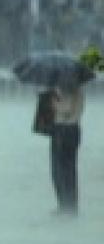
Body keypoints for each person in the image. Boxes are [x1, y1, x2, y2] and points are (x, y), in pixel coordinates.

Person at [49, 82, 85, 215]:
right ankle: (70, 205)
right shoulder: (79, 90)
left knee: (58, 169)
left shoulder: (68, 90)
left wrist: (53, 103)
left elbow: (66, 111)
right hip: (74, 129)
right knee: (69, 169)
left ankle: (65, 205)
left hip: (63, 129)